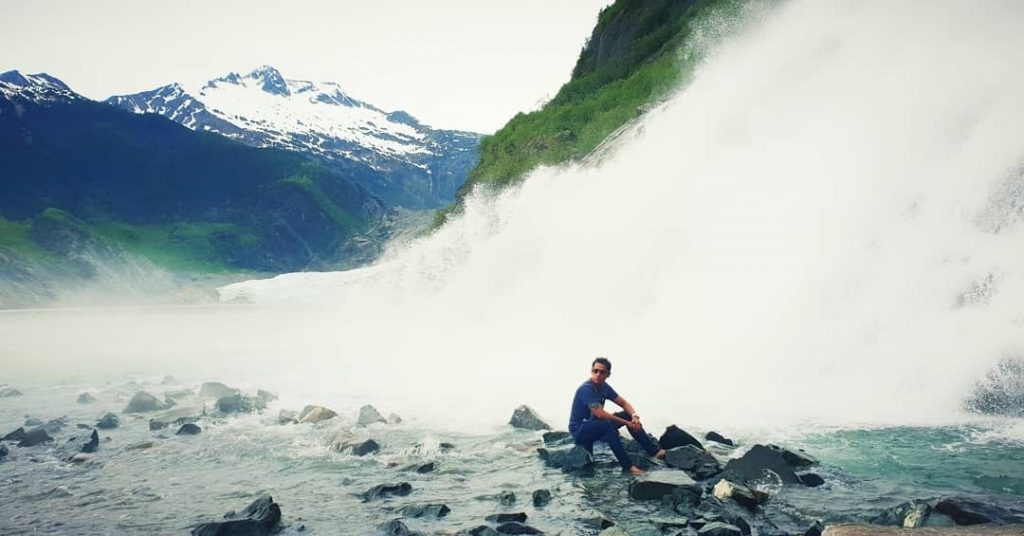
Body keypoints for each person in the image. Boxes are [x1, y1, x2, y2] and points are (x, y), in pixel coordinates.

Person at [568, 357, 666, 476]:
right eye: (595, 371)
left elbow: (624, 403)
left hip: (595, 425)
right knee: (606, 425)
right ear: (591, 371)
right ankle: (629, 467)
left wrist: (634, 417)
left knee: (627, 415)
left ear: (608, 374)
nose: (598, 374)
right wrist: (627, 423)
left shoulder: (604, 387)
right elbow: (600, 414)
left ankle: (654, 452)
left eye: (602, 372)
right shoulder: (586, 389)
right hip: (579, 429)